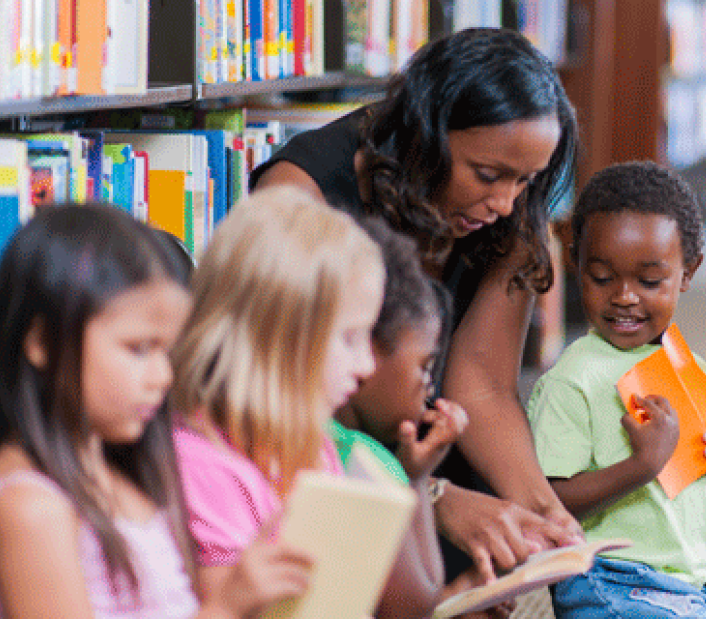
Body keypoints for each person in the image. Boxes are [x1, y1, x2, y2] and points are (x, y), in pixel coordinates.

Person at [250, 26, 583, 577]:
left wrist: (544, 508)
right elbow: (282, 396)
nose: (505, 202)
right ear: (427, 135)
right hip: (316, 453)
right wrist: (431, 496)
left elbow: (483, 383)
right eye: (486, 174)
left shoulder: (512, 207)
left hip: (433, 439)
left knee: (496, 555)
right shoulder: (300, 196)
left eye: (526, 180)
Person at [527, 161, 706, 618]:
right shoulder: (572, 379)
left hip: (705, 578)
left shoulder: (688, 363)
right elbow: (547, 503)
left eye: (650, 281)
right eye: (602, 277)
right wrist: (642, 465)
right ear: (574, 261)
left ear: (688, 272)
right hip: (617, 581)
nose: (624, 296)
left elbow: (698, 481)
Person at [0, 205, 312, 617]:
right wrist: (228, 607)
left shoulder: (129, 479)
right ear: (42, 342)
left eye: (168, 351)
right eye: (138, 349)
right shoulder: (31, 508)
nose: (163, 376)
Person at [168, 188, 387, 609]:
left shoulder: (312, 442)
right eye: (349, 338)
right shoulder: (203, 467)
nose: (366, 365)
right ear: (277, 338)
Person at [331, 217, 505, 617]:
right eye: (425, 368)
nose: (429, 389)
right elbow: (412, 606)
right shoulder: (358, 458)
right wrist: (415, 477)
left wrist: (456, 597)